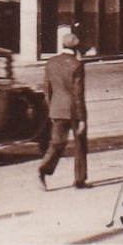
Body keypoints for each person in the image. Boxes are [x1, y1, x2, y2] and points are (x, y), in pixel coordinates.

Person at [38, 32, 89, 190]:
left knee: (57, 143)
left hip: (57, 109)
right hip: (74, 111)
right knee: (80, 145)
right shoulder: (77, 65)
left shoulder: (51, 62)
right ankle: (80, 180)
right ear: (76, 49)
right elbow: (78, 93)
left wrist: (52, 108)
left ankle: (43, 171)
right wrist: (82, 118)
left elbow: (47, 88)